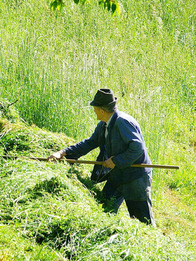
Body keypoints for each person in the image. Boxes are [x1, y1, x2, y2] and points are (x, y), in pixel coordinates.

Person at [48, 88, 155, 225]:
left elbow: (137, 147)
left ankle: (145, 243)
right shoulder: (103, 125)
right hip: (118, 174)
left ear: (102, 111)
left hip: (135, 177)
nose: (94, 111)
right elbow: (90, 143)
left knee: (142, 220)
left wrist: (116, 160)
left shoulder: (122, 122)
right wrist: (63, 152)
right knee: (104, 208)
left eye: (95, 108)